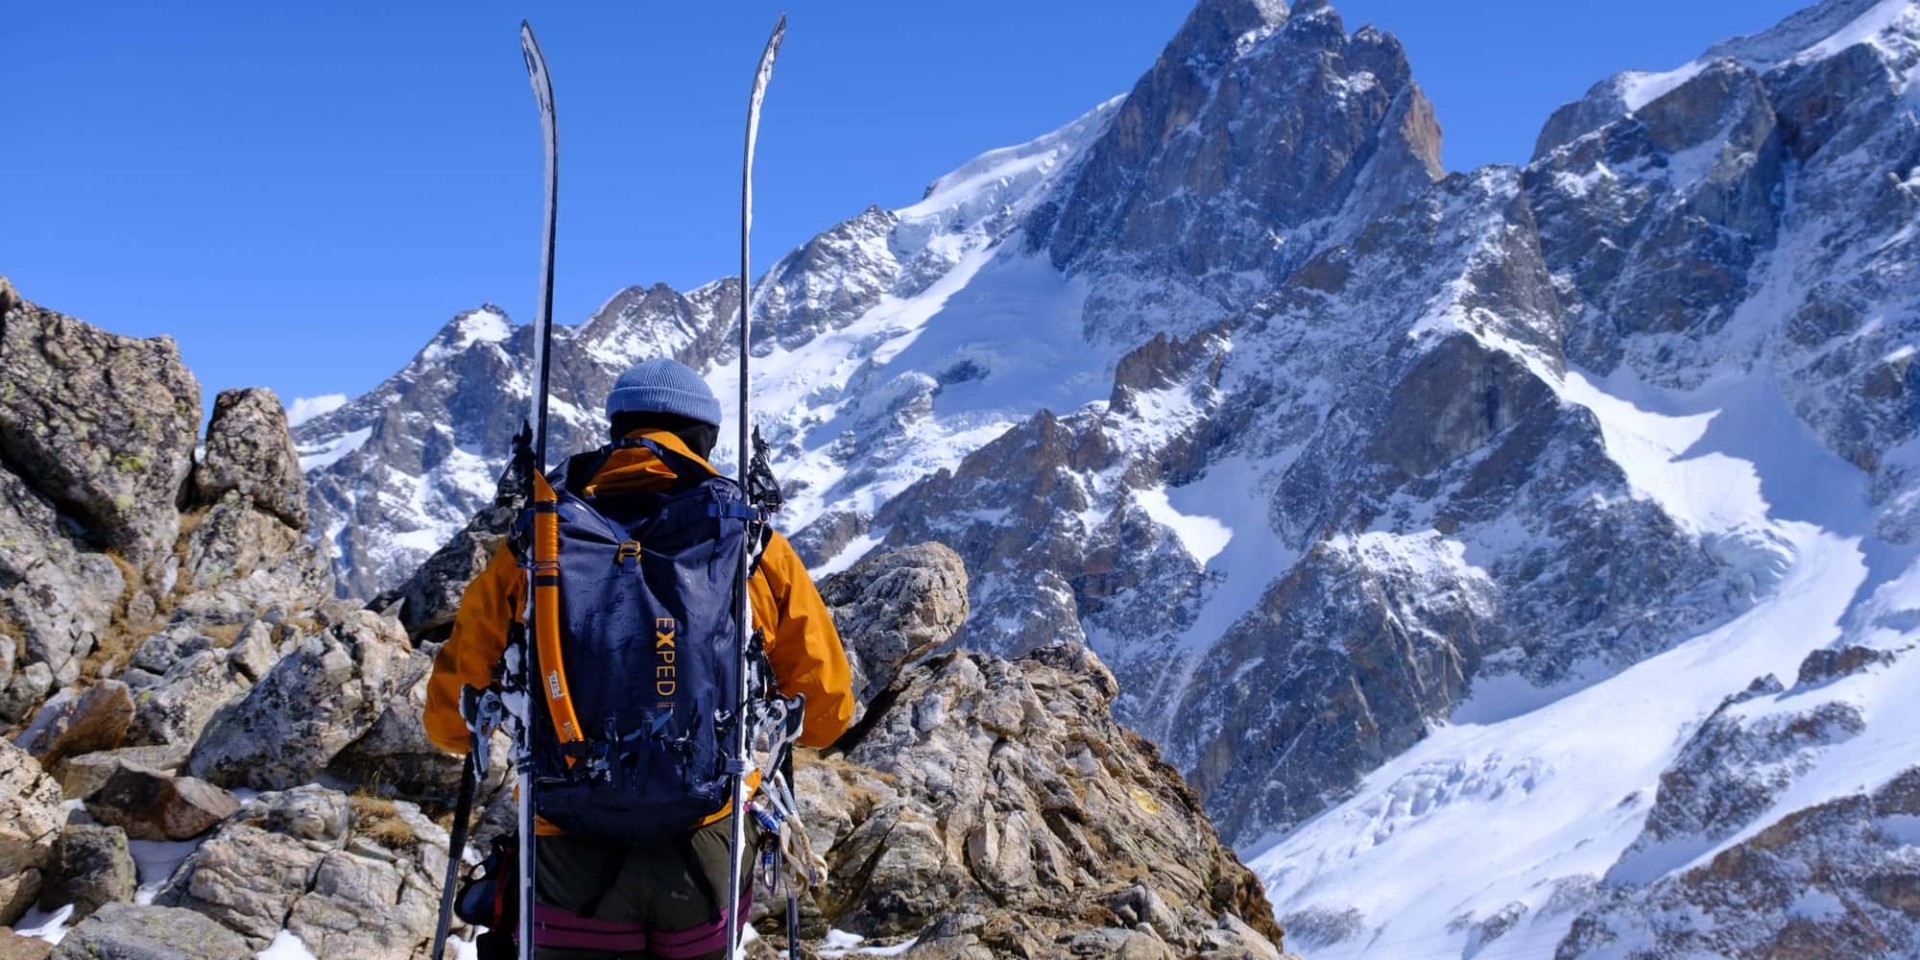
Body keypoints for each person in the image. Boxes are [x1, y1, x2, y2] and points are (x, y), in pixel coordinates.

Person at [424, 357, 855, 960]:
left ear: (616, 430)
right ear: (704, 440)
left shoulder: (539, 541)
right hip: (703, 847)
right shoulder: (749, 543)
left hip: (565, 846)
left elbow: (448, 725)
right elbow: (829, 713)